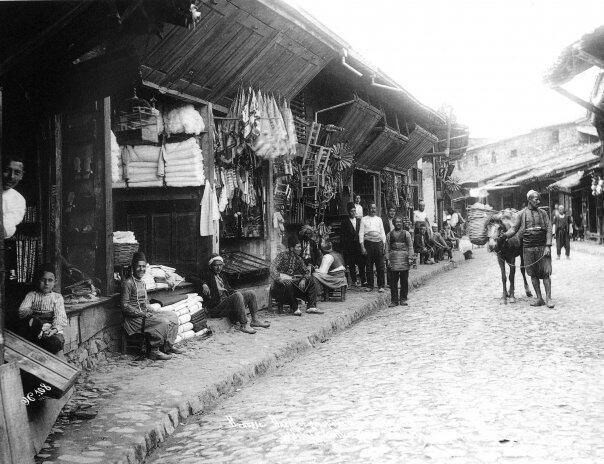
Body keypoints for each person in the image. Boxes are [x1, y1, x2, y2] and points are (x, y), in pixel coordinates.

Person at [121, 252, 182, 360]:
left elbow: (144, 302)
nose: (141, 269)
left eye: (143, 266)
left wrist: (150, 308)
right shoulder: (128, 283)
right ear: (133, 267)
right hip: (134, 320)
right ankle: (154, 351)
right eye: (138, 266)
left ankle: (168, 346)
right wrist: (142, 313)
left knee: (172, 316)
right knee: (163, 321)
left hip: (144, 314)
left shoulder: (142, 283)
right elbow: (125, 306)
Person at [503, 190, 554, 308]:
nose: (538, 201)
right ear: (529, 200)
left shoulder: (544, 213)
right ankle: (539, 298)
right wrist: (504, 236)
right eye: (536, 199)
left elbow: (549, 229)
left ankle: (548, 298)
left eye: (539, 199)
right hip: (528, 248)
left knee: (546, 274)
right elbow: (514, 229)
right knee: (533, 274)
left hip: (542, 247)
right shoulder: (521, 214)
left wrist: (548, 245)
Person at [201, 254, 270, 334]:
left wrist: (234, 292)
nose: (219, 268)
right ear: (211, 266)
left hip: (226, 304)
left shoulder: (222, 275)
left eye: (220, 265)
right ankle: (244, 325)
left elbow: (229, 289)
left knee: (250, 293)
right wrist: (203, 284)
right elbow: (190, 276)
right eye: (216, 265)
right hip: (216, 308)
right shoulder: (207, 274)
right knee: (237, 296)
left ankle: (255, 320)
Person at [18, 264, 67, 354]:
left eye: (50, 280)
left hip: (50, 328)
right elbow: (22, 311)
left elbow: (60, 317)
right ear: (38, 281)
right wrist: (31, 312)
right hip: (35, 327)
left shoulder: (57, 297)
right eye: (43, 280)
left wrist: (54, 330)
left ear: (55, 282)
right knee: (30, 329)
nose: (46, 283)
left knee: (55, 343)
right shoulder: (32, 295)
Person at [270, 234, 322, 316]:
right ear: (291, 248)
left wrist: (304, 279)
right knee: (288, 283)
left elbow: (306, 272)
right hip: (279, 287)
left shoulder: (298, 259)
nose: (300, 249)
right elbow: (273, 268)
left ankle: (311, 306)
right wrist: (279, 279)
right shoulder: (282, 256)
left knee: (311, 279)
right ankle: (295, 308)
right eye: (298, 247)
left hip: (291, 285)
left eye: (300, 247)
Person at [385, 217, 413, 307]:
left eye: (400, 222)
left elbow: (410, 246)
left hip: (404, 259)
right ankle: (394, 300)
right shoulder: (389, 234)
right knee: (393, 281)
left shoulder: (407, 234)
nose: (398, 223)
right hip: (394, 260)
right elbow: (387, 248)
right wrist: (388, 259)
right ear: (393, 223)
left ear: (402, 223)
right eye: (396, 222)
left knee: (404, 281)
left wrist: (410, 257)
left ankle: (403, 299)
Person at [359, 202, 386, 292]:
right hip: (368, 244)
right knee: (369, 265)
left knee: (380, 266)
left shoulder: (379, 219)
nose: (373, 210)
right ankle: (370, 285)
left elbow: (382, 232)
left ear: (376, 209)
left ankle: (381, 285)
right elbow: (361, 233)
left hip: (378, 243)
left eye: (374, 208)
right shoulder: (364, 219)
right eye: (371, 208)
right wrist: (362, 247)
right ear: (368, 209)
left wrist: (384, 244)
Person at [340, 202, 366, 287]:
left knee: (361, 264)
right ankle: (354, 281)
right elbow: (343, 236)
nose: (353, 213)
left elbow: (362, 233)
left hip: (358, 246)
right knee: (351, 265)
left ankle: (363, 280)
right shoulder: (345, 222)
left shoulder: (359, 221)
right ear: (348, 212)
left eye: (354, 211)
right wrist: (345, 247)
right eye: (351, 211)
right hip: (350, 247)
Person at [2, 156, 26, 239]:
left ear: (21, 176)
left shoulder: (18, 200)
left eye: (17, 173)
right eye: (7, 170)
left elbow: (6, 229)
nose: (11, 176)